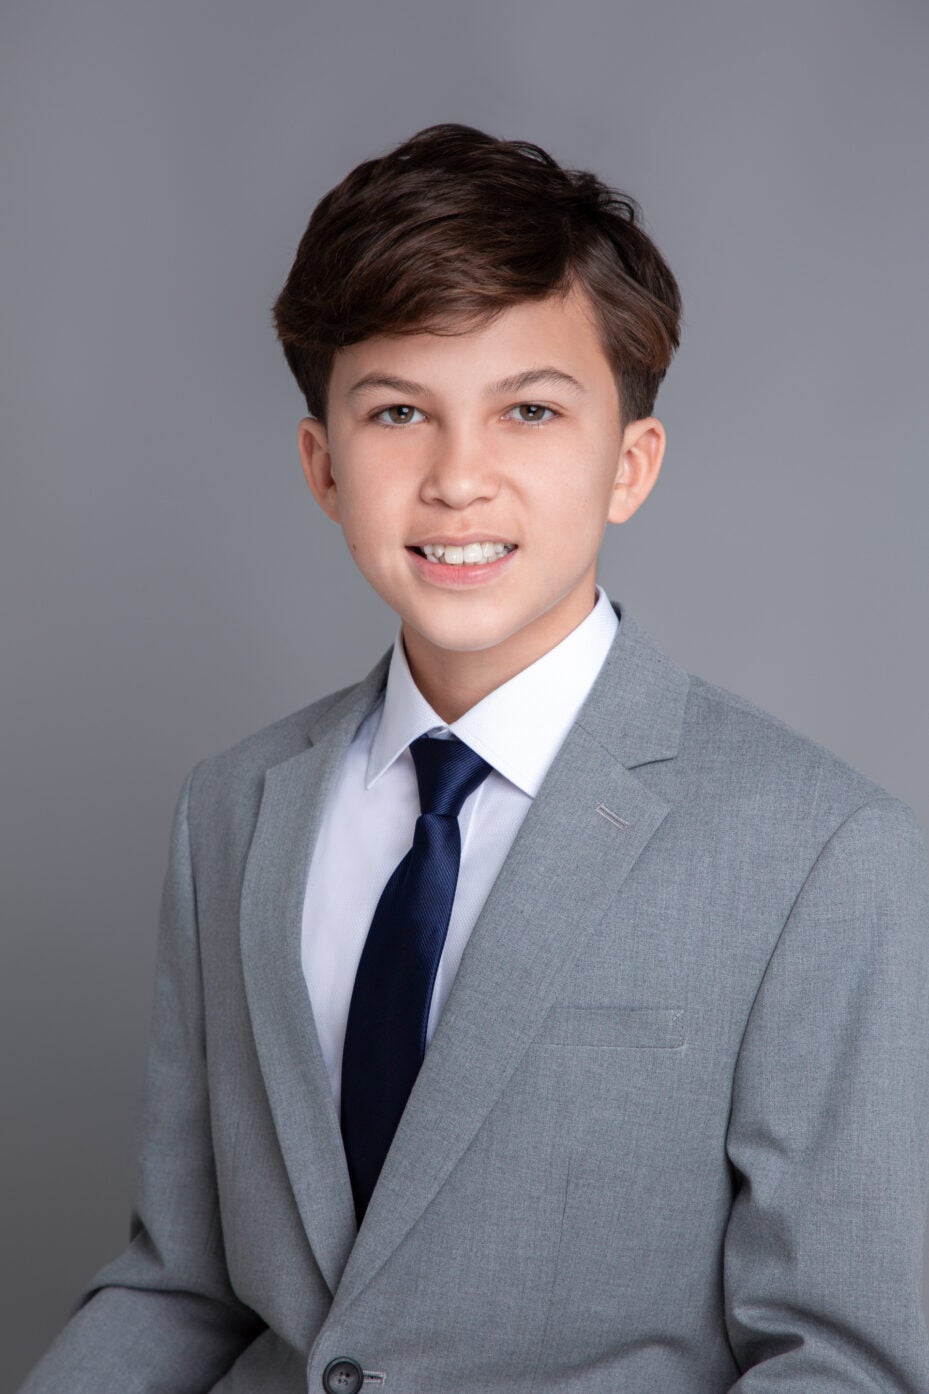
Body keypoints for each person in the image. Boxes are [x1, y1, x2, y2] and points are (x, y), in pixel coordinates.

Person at [19, 122, 929, 1393]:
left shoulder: (818, 853)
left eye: (530, 411)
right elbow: (182, 1278)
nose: (457, 478)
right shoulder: (231, 810)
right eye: (398, 411)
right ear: (322, 466)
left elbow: (841, 1359)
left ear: (629, 464)